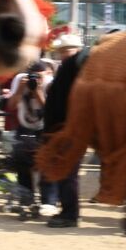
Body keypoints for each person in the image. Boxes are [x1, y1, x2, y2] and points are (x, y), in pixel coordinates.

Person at [8, 60, 58, 216]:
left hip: (45, 127)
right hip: (25, 126)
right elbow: (11, 106)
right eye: (33, 76)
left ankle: (49, 201)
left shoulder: (51, 83)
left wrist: (38, 92)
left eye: (39, 76)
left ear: (47, 75)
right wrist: (20, 90)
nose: (35, 79)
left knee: (46, 164)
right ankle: (27, 198)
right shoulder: (20, 80)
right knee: (22, 162)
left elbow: (51, 110)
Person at [45, 34, 85, 228]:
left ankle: (70, 214)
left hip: (69, 128)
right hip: (61, 128)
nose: (63, 53)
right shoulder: (66, 69)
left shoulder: (76, 69)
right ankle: (68, 211)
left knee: (67, 172)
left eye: (67, 49)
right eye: (62, 50)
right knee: (64, 172)